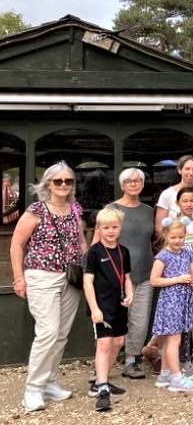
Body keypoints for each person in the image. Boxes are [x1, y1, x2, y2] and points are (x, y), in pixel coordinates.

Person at [10, 161, 86, 412]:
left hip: (71, 277)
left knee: (62, 333)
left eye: (69, 181)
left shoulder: (75, 209)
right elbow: (17, 245)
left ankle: (50, 381)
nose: (64, 185)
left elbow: (81, 243)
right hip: (41, 276)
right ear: (48, 184)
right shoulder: (37, 210)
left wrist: (90, 268)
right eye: (58, 181)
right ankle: (32, 389)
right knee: (48, 332)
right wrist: (19, 278)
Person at [153, 155, 193, 368]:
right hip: (174, 263)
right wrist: (178, 245)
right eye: (187, 168)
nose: (190, 173)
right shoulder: (168, 194)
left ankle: (187, 357)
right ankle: (166, 357)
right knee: (172, 312)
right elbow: (161, 228)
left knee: (192, 310)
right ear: (180, 170)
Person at [99, 168, 155, 380]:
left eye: (138, 180)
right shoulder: (112, 209)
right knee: (113, 320)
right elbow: (98, 242)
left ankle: (132, 360)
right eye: (129, 181)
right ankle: (103, 366)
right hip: (117, 275)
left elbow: (158, 238)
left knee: (139, 321)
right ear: (122, 185)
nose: (134, 184)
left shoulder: (149, 210)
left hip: (145, 273)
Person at [83, 208, 134, 411]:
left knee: (118, 341)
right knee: (104, 344)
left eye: (114, 227)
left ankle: (99, 379)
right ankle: (102, 386)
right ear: (99, 229)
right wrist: (94, 308)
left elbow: (128, 278)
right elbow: (87, 283)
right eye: (106, 228)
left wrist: (130, 294)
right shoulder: (93, 252)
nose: (111, 231)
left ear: (120, 228)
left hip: (119, 304)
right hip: (101, 307)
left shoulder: (124, 251)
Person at [150, 217, 193, 392]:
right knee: (173, 340)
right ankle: (176, 378)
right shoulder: (163, 256)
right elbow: (154, 280)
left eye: (180, 237)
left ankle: (165, 374)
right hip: (170, 301)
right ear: (166, 235)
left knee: (169, 340)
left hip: (183, 299)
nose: (177, 241)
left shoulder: (187, 251)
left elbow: (192, 270)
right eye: (173, 237)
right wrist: (177, 279)